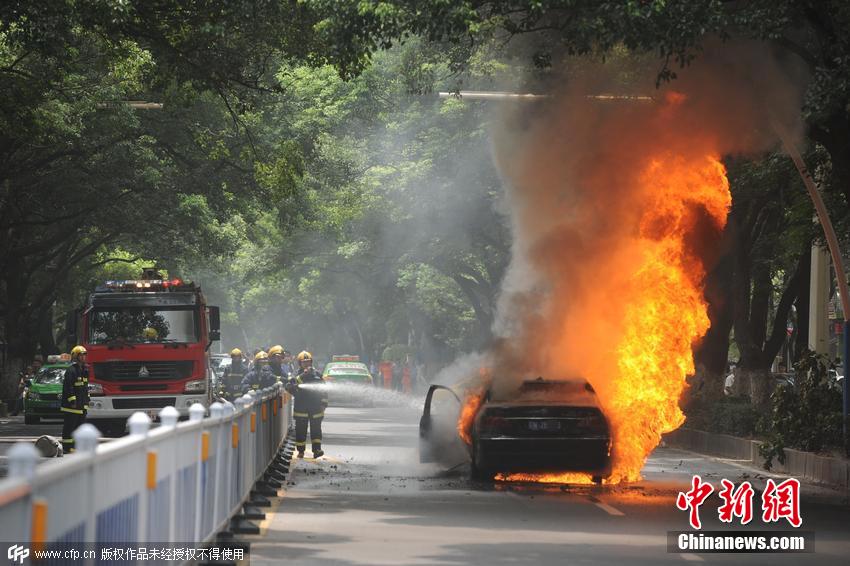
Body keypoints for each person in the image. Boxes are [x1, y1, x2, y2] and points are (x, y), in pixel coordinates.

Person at [286, 351, 328, 458]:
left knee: (316, 430)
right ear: (299, 363)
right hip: (301, 407)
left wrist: (324, 403)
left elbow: (324, 390)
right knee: (300, 430)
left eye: (308, 362)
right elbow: (290, 387)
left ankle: (317, 450)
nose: (307, 364)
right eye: (304, 362)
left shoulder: (318, 374)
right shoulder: (296, 374)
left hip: (315, 407)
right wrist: (304, 375)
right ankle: (300, 451)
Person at [60, 346, 89, 454]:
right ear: (76, 356)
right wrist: (72, 401)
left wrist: (87, 400)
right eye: (81, 355)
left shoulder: (84, 370)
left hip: (81, 405)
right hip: (72, 406)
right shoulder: (71, 370)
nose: (83, 357)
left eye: (85, 355)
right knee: (69, 427)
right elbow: (69, 387)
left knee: (79, 428)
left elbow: (85, 387)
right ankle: (67, 447)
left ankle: (76, 446)